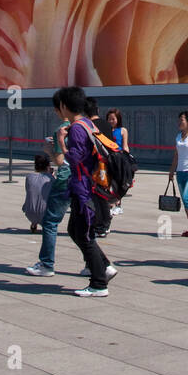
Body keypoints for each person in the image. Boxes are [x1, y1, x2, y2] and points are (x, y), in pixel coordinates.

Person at [54, 86, 115, 297]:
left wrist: (61, 144)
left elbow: (76, 158)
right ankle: (105, 266)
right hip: (87, 186)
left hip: (83, 188)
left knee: (84, 234)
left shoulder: (78, 128)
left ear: (64, 105)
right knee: (75, 230)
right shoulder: (87, 123)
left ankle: (99, 282)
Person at [24, 106, 72, 278]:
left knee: (50, 222)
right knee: (81, 225)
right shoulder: (87, 126)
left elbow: (60, 161)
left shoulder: (61, 129)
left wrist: (49, 150)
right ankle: (98, 265)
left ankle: (46, 264)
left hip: (67, 179)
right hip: (84, 180)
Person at [84, 97, 114, 236]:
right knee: (102, 194)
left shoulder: (88, 126)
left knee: (97, 196)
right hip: (106, 164)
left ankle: (103, 223)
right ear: (97, 109)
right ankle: (103, 222)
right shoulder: (107, 125)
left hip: (95, 165)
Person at [105, 108, 129, 216]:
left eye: (113, 119)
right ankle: (110, 204)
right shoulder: (106, 131)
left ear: (118, 119)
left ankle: (118, 205)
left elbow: (125, 145)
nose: (111, 121)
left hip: (119, 159)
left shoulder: (123, 130)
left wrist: (127, 158)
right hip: (108, 159)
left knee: (119, 183)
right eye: (109, 119)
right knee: (109, 182)